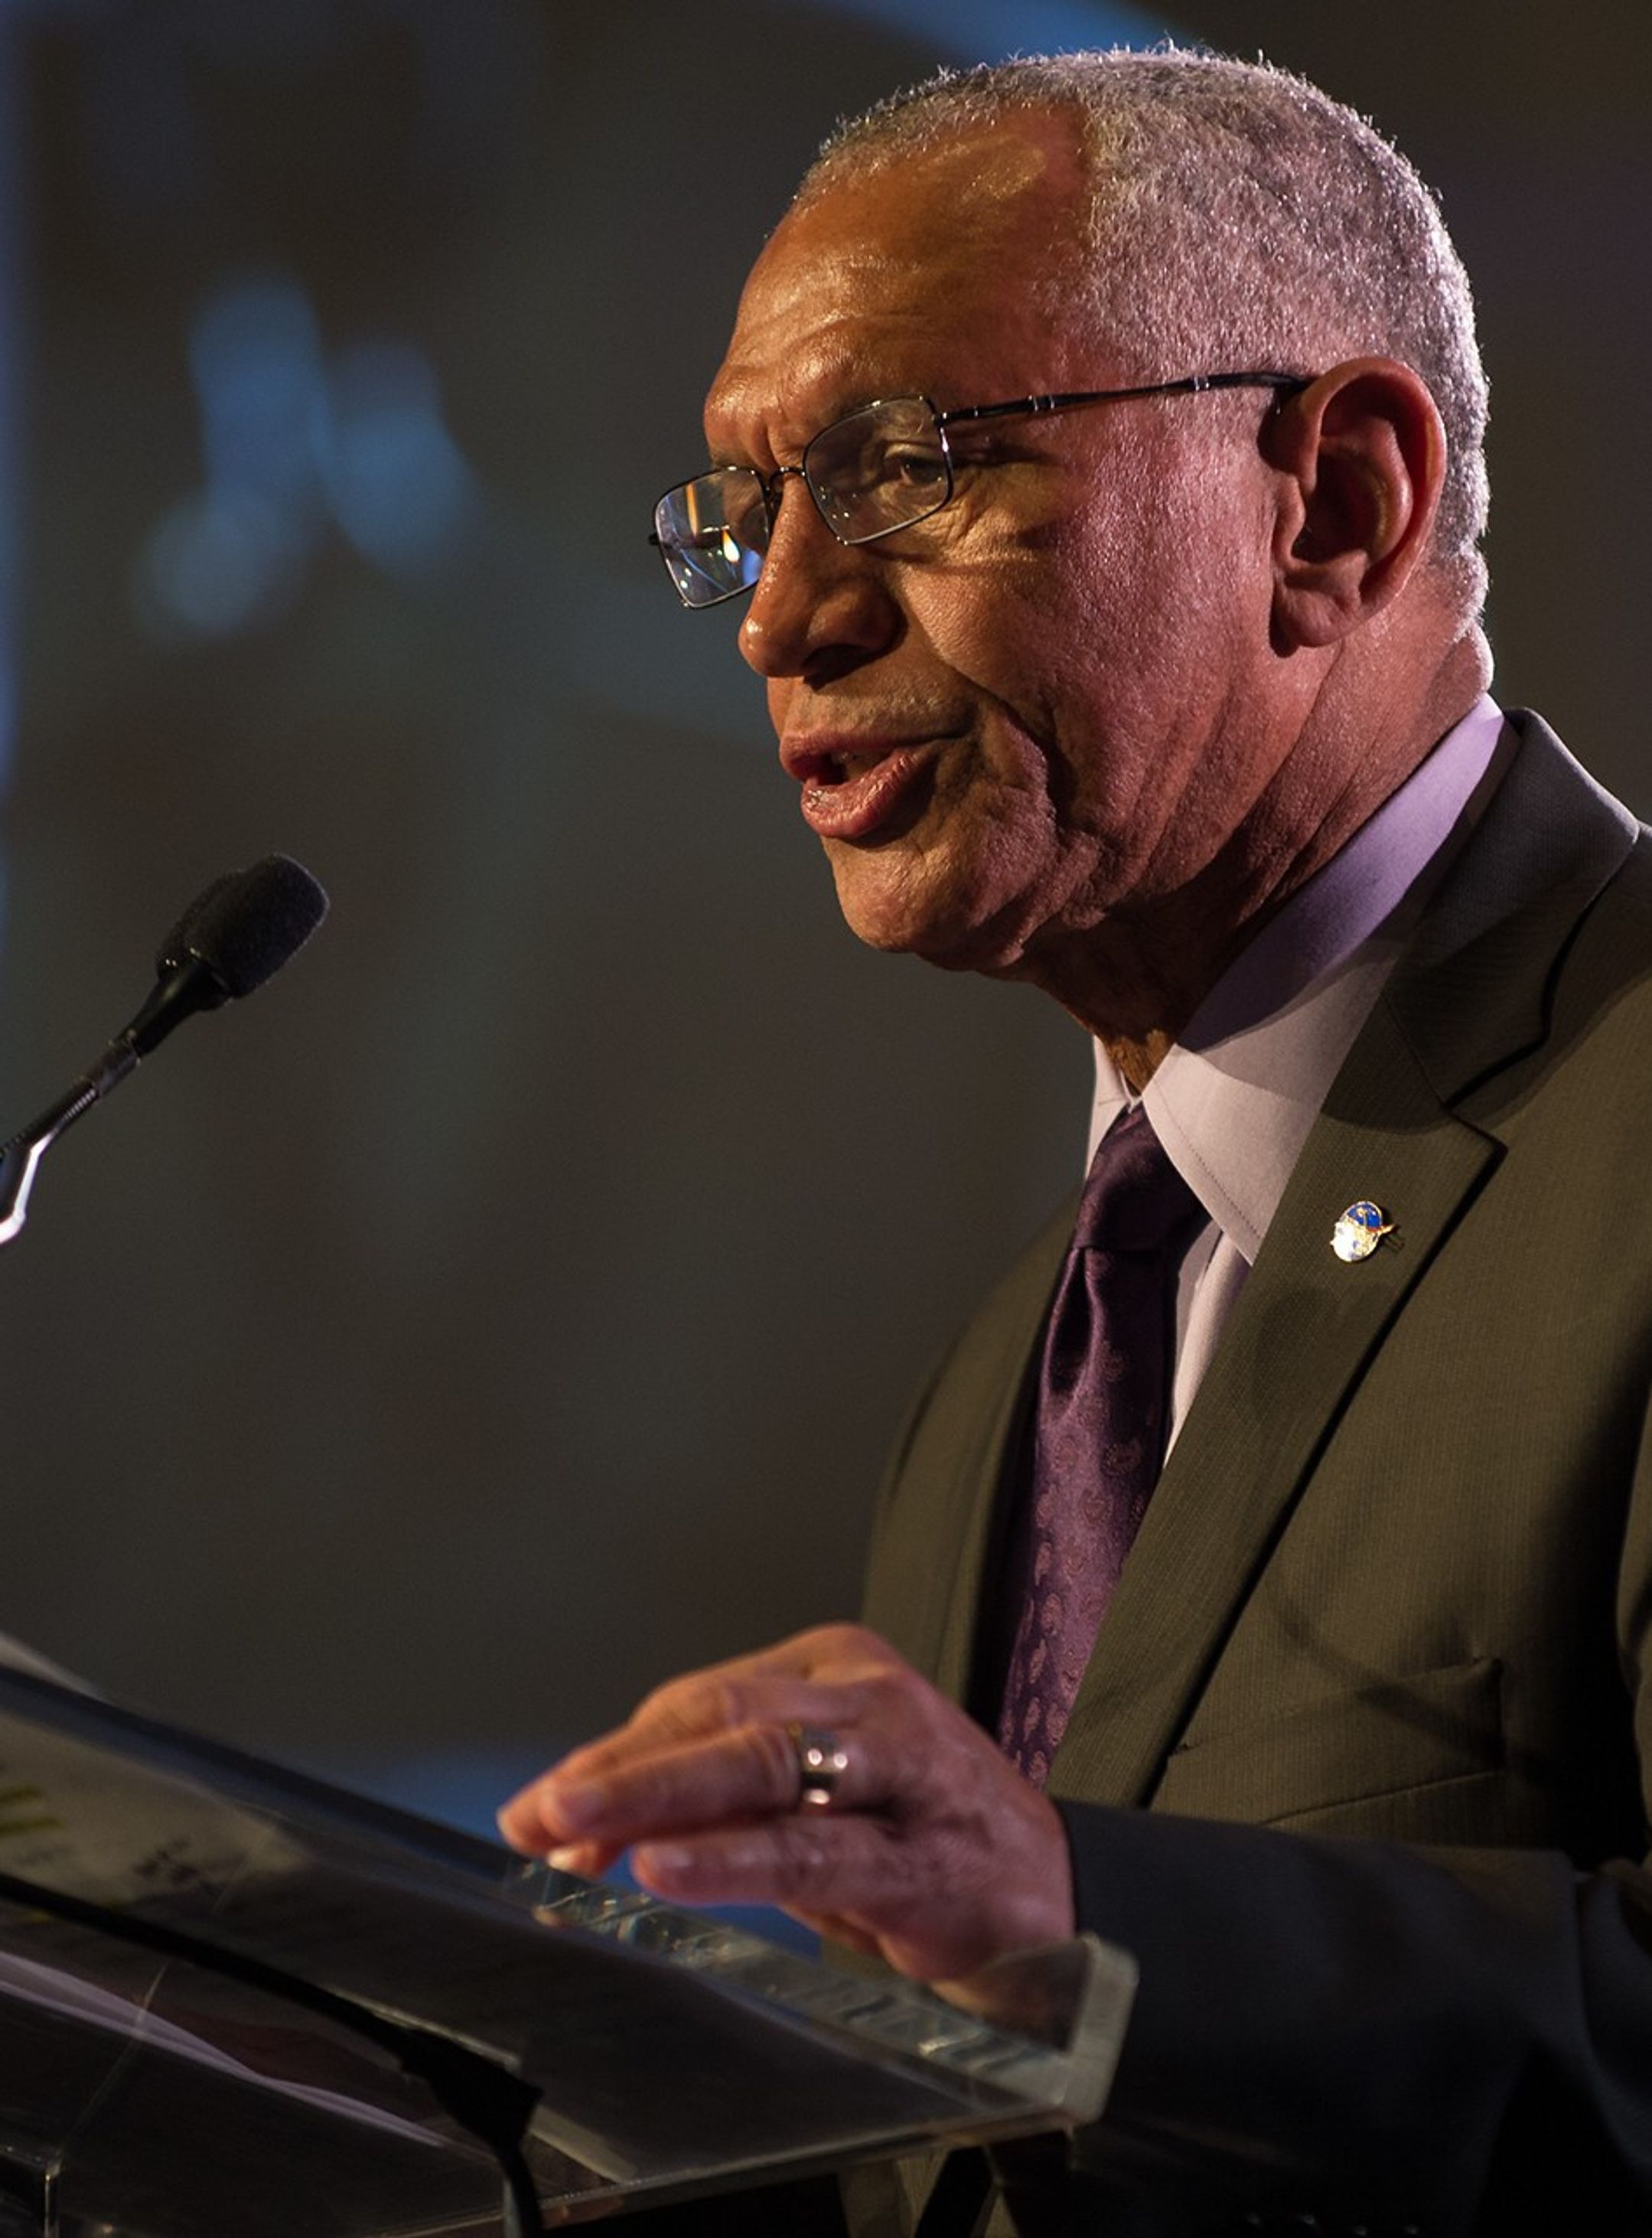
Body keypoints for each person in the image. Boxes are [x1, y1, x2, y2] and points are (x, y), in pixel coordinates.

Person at [499, 49, 1652, 2236]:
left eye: (903, 465)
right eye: (749, 513)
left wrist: (1083, 1921)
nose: (782, 616)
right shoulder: (1011, 1377)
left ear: (1334, 503)